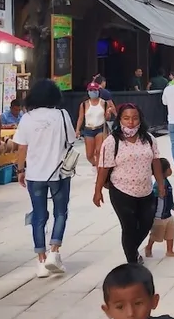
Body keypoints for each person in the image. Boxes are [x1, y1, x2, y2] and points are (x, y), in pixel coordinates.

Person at [13, 79, 75, 278]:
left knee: (38, 216)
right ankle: (54, 252)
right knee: (60, 212)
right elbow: (71, 140)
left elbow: (22, 147)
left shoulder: (27, 118)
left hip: (35, 175)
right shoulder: (62, 115)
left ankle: (41, 260)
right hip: (59, 173)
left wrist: (20, 170)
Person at [94, 103, 166, 264]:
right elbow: (104, 168)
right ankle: (132, 262)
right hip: (121, 191)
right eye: (126, 118)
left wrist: (160, 184)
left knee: (146, 224)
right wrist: (97, 191)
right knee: (129, 227)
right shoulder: (112, 141)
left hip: (146, 190)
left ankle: (132, 250)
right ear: (120, 120)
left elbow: (155, 162)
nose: (131, 122)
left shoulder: (149, 139)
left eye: (134, 118)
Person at [145, 158, 174, 258]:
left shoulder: (166, 182)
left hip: (168, 214)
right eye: (168, 168)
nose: (170, 170)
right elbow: (154, 198)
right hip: (159, 216)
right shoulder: (158, 185)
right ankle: (148, 247)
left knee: (171, 233)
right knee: (156, 234)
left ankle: (170, 250)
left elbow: (169, 198)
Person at [76, 83, 115, 166]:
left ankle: (99, 171)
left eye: (95, 90)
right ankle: (96, 165)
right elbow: (81, 118)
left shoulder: (104, 103)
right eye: (91, 90)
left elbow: (107, 118)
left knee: (98, 151)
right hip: (88, 129)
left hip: (100, 129)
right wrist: (77, 130)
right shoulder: (84, 104)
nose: (93, 92)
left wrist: (108, 113)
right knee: (89, 155)